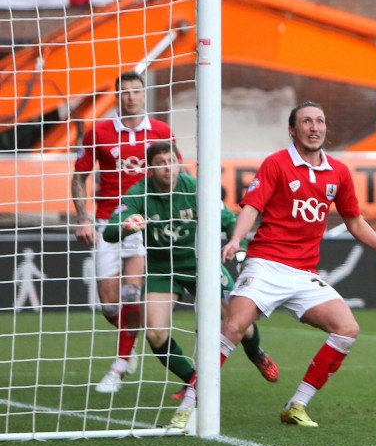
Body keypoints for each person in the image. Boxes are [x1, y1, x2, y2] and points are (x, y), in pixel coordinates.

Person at [172, 102, 376, 428]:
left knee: (347, 329)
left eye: (320, 121)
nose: (314, 127)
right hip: (266, 264)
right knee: (232, 328)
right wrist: (236, 239)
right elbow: (252, 208)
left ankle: (296, 405)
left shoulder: (338, 172)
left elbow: (354, 221)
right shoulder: (276, 164)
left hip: (304, 273)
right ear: (292, 130)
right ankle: (187, 407)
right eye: (307, 121)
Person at [103, 141, 279, 411]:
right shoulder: (138, 192)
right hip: (163, 269)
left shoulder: (195, 187)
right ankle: (194, 380)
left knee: (235, 318)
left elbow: (229, 220)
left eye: (170, 161)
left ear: (178, 162)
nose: (166, 168)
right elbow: (109, 232)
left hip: (200, 262)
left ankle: (255, 352)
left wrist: (236, 241)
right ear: (150, 168)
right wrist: (127, 226)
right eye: (160, 163)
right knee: (154, 332)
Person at [72, 71, 175, 393]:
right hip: (107, 223)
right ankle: (129, 341)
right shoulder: (99, 132)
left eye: (136, 91)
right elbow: (79, 176)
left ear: (144, 95)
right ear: (117, 97)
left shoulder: (161, 131)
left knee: (133, 292)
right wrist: (83, 218)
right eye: (125, 92)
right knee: (110, 305)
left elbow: (175, 172)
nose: (131, 97)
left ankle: (120, 363)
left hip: (144, 223)